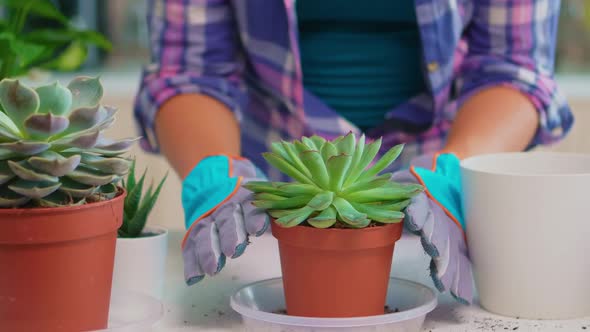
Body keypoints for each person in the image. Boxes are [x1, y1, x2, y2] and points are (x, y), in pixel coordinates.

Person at [134, 0, 572, 304]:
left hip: (439, 192)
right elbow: (189, 69)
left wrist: (456, 170)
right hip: (264, 197)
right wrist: (214, 170)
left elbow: (513, 66)